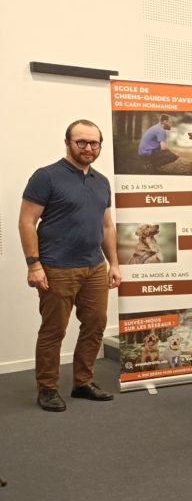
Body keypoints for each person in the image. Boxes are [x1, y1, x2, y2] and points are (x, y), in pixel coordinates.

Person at [19, 119, 121, 411]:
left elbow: (106, 225)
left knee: (95, 325)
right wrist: (33, 265)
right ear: (68, 143)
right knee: (54, 330)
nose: (88, 148)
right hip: (56, 268)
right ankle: (48, 388)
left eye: (94, 143)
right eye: (82, 142)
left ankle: (82, 382)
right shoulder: (46, 176)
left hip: (94, 268)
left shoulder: (101, 181)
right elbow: (27, 221)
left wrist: (113, 263)